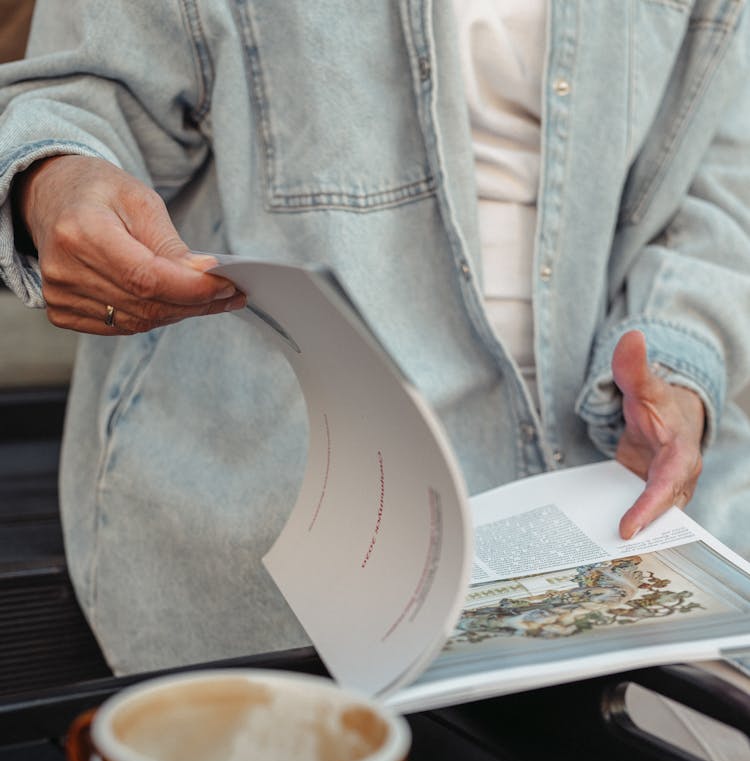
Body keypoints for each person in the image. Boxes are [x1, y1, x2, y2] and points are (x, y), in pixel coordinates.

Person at [0, 0, 748, 676]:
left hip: (622, 523)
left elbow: (722, 165)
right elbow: (75, 95)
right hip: (273, 548)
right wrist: (53, 184)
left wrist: (682, 362)